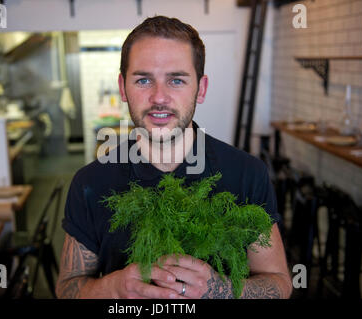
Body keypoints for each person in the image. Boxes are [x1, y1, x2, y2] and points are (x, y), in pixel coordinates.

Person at [56, 16, 292, 299]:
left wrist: (219, 290)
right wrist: (113, 287)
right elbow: (67, 288)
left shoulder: (247, 174)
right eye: (143, 80)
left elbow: (280, 284)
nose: (159, 97)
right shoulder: (90, 183)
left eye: (176, 80)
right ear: (122, 88)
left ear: (201, 89)